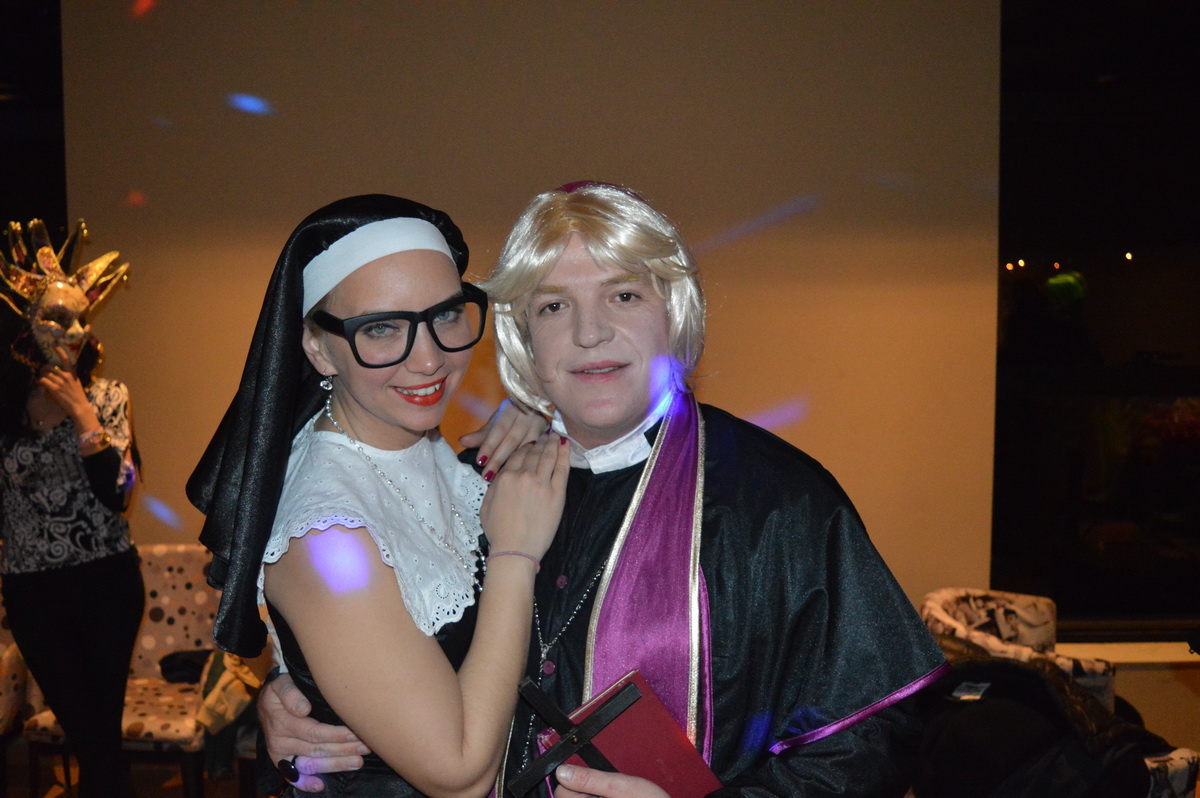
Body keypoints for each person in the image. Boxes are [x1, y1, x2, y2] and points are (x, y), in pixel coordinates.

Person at [261, 182, 950, 797]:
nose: (589, 333)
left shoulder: (781, 504)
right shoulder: (482, 477)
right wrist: (305, 689)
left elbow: (871, 738)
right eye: (554, 306)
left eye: (624, 295)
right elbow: (397, 640)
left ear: (673, 310)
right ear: (525, 338)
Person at [186, 194, 571, 797]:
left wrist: (543, 415)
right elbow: (459, 774)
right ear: (318, 347)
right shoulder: (326, 541)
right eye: (382, 328)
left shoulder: (415, 445)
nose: (430, 358)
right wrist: (514, 556)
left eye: (447, 315)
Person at [0, 219, 144, 798]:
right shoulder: (6, 410)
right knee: (90, 732)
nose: (76, 331)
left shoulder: (108, 397)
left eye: (83, 318)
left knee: (97, 733)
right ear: (24, 325)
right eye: (59, 318)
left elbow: (120, 493)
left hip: (106, 583)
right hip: (32, 591)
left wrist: (84, 414)